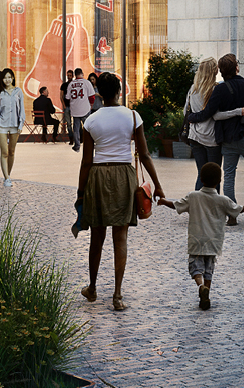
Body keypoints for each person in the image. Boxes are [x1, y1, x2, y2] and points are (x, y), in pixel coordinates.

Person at [75, 71, 164, 312]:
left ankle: (92, 288)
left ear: (99, 94)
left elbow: (86, 161)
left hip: (99, 175)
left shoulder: (91, 121)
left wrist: (80, 192)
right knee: (120, 237)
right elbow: (144, 154)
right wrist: (157, 184)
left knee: (97, 236)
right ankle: (117, 295)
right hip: (125, 175)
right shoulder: (133, 117)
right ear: (119, 91)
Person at [157, 161, 244, 310]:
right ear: (219, 181)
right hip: (214, 241)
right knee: (209, 269)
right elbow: (240, 209)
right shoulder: (223, 200)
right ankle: (207, 294)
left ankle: (200, 286)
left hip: (197, 240)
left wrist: (165, 201)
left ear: (201, 179)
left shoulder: (193, 196)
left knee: (196, 268)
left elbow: (176, 205)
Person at [188, 53, 244, 226]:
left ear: (221, 71)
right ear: (237, 68)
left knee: (229, 176)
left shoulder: (220, 89)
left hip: (228, 140)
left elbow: (212, 113)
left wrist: (192, 117)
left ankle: (232, 215)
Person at [183, 57, 221, 190]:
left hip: (194, 136)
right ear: (214, 71)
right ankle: (213, 208)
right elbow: (218, 115)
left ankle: (198, 206)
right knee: (215, 176)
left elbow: (185, 111)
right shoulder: (216, 89)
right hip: (211, 138)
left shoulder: (193, 88)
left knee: (201, 174)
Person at [0, 68, 25, 187]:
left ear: (13, 78)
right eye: (5, 78)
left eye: (9, 77)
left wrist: (21, 124)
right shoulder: (0, 92)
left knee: (12, 152)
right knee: (4, 151)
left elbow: (22, 109)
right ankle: (7, 177)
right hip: (2, 126)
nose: (7, 80)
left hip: (15, 126)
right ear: (2, 80)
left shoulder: (18, 92)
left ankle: (7, 175)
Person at [65, 68, 95, 150]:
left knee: (76, 128)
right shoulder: (86, 83)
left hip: (75, 109)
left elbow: (67, 97)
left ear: (74, 75)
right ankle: (89, 143)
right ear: (82, 73)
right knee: (88, 127)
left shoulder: (71, 84)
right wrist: (91, 104)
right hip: (85, 108)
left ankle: (77, 145)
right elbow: (92, 96)